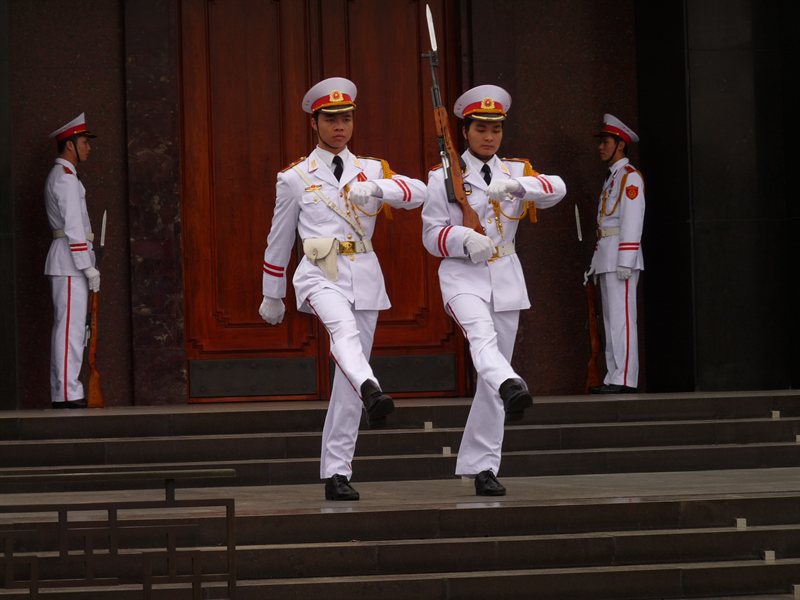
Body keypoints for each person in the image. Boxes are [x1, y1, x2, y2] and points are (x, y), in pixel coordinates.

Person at [258, 77, 426, 501]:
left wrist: (380, 188)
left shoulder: (370, 169)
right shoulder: (296, 177)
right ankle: (373, 385)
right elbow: (278, 238)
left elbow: (417, 193)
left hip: (364, 271)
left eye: (346, 119)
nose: (339, 126)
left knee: (347, 379)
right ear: (314, 123)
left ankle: (337, 472)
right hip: (319, 268)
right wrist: (271, 292)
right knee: (343, 335)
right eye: (331, 119)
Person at [421, 85, 566, 496]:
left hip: (504, 275)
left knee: (491, 374)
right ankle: (512, 383)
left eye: (496, 129)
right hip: (462, 275)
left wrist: (519, 189)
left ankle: (483, 465)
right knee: (482, 342)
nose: (489, 136)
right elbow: (431, 237)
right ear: (464, 131)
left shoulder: (516, 171)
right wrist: (463, 239)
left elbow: (558, 188)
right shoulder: (442, 176)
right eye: (481, 128)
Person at [585, 114, 645, 394]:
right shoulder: (612, 178)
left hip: (621, 258)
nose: (601, 147)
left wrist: (626, 260)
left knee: (622, 320)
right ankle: (613, 376)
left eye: (606, 142)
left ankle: (625, 379)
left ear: (620, 145)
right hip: (607, 258)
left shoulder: (630, 178)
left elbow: (632, 220)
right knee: (610, 321)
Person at [44, 113, 100, 409]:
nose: (88, 148)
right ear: (69, 146)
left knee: (71, 327)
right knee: (70, 329)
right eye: (83, 142)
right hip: (69, 261)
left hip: (69, 259)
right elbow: (74, 227)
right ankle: (68, 392)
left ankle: (65, 389)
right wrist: (87, 265)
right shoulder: (64, 179)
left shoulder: (67, 177)